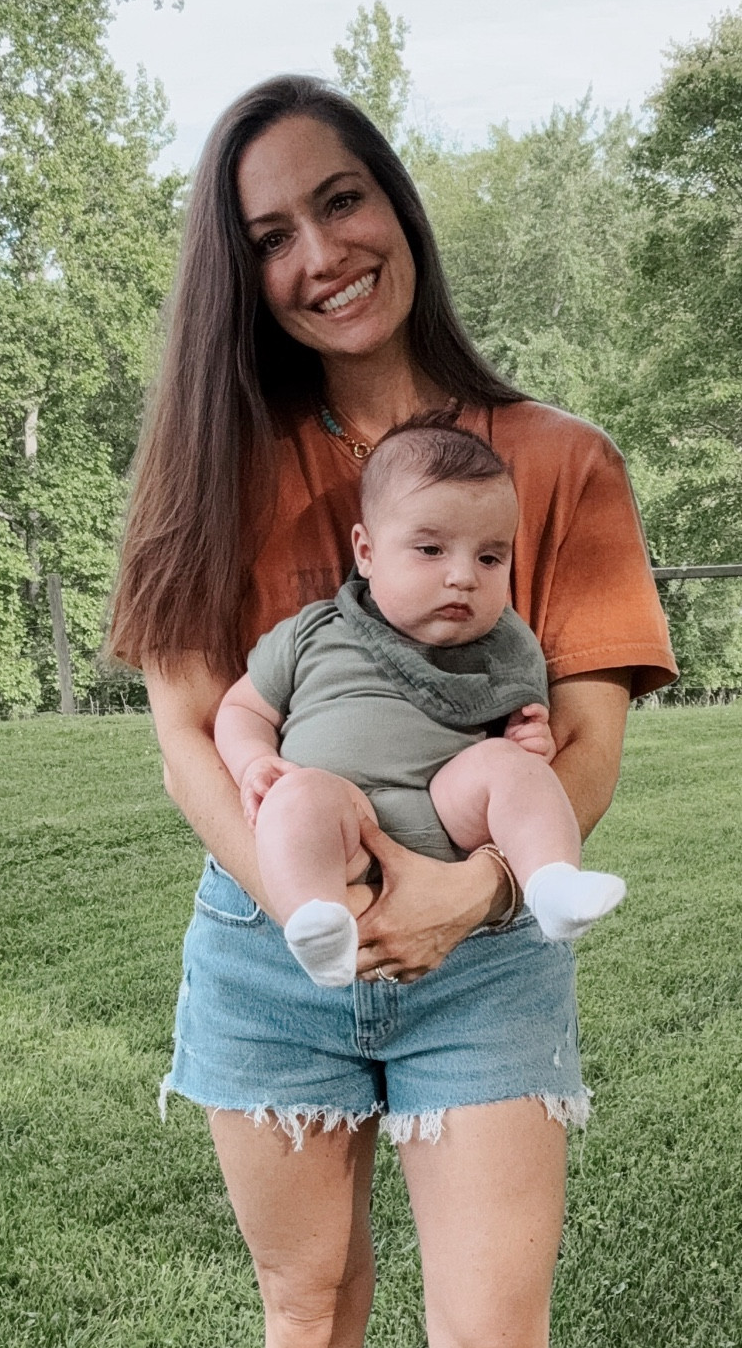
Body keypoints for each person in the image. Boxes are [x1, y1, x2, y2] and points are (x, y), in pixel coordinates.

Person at [108, 74, 675, 1348]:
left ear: (399, 207)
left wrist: (461, 893)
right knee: (307, 1317)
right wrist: (303, 888)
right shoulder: (215, 458)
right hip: (270, 958)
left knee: (493, 1340)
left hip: (485, 961)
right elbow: (197, 730)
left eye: (337, 202)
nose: (314, 253)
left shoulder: (554, 458)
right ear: (236, 270)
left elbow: (576, 727)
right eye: (266, 232)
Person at [215, 415, 629, 988]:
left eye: (490, 558)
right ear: (366, 550)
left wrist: (530, 741)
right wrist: (253, 763)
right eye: (431, 549)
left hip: (446, 816)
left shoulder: (501, 650)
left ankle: (552, 882)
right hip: (341, 823)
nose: (463, 577)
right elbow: (241, 711)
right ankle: (318, 921)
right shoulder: (313, 631)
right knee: (295, 796)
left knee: (511, 771)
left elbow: (523, 730)